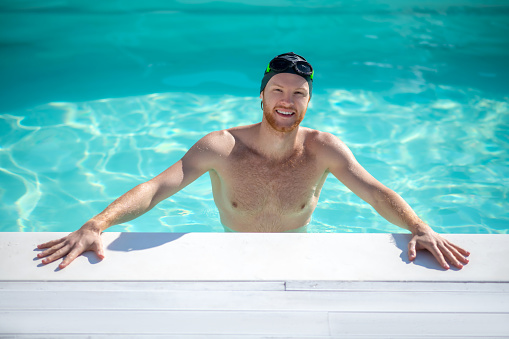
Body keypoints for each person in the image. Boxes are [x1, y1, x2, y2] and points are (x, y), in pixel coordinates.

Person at [37, 52, 470, 270]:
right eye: (278, 90)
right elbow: (157, 187)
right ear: (261, 95)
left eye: (298, 93)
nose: (287, 101)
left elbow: (374, 192)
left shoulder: (323, 148)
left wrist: (420, 227)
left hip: (298, 260)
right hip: (231, 256)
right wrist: (97, 223)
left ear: (309, 101)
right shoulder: (220, 147)